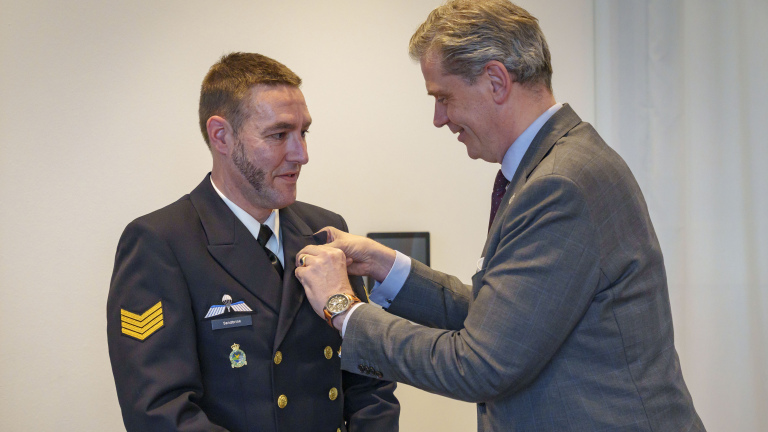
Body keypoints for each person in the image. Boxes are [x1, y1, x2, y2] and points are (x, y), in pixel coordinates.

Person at [294, 1, 705, 431]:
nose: (438, 119)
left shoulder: (559, 184)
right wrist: (387, 266)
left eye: (443, 98)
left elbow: (480, 363)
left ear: (495, 80)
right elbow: (511, 319)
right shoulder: (557, 165)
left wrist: (343, 310)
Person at [106, 52, 399, 432]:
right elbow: (160, 412)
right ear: (221, 136)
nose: (301, 154)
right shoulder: (161, 243)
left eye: (303, 132)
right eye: (279, 135)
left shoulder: (324, 228)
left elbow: (369, 380)